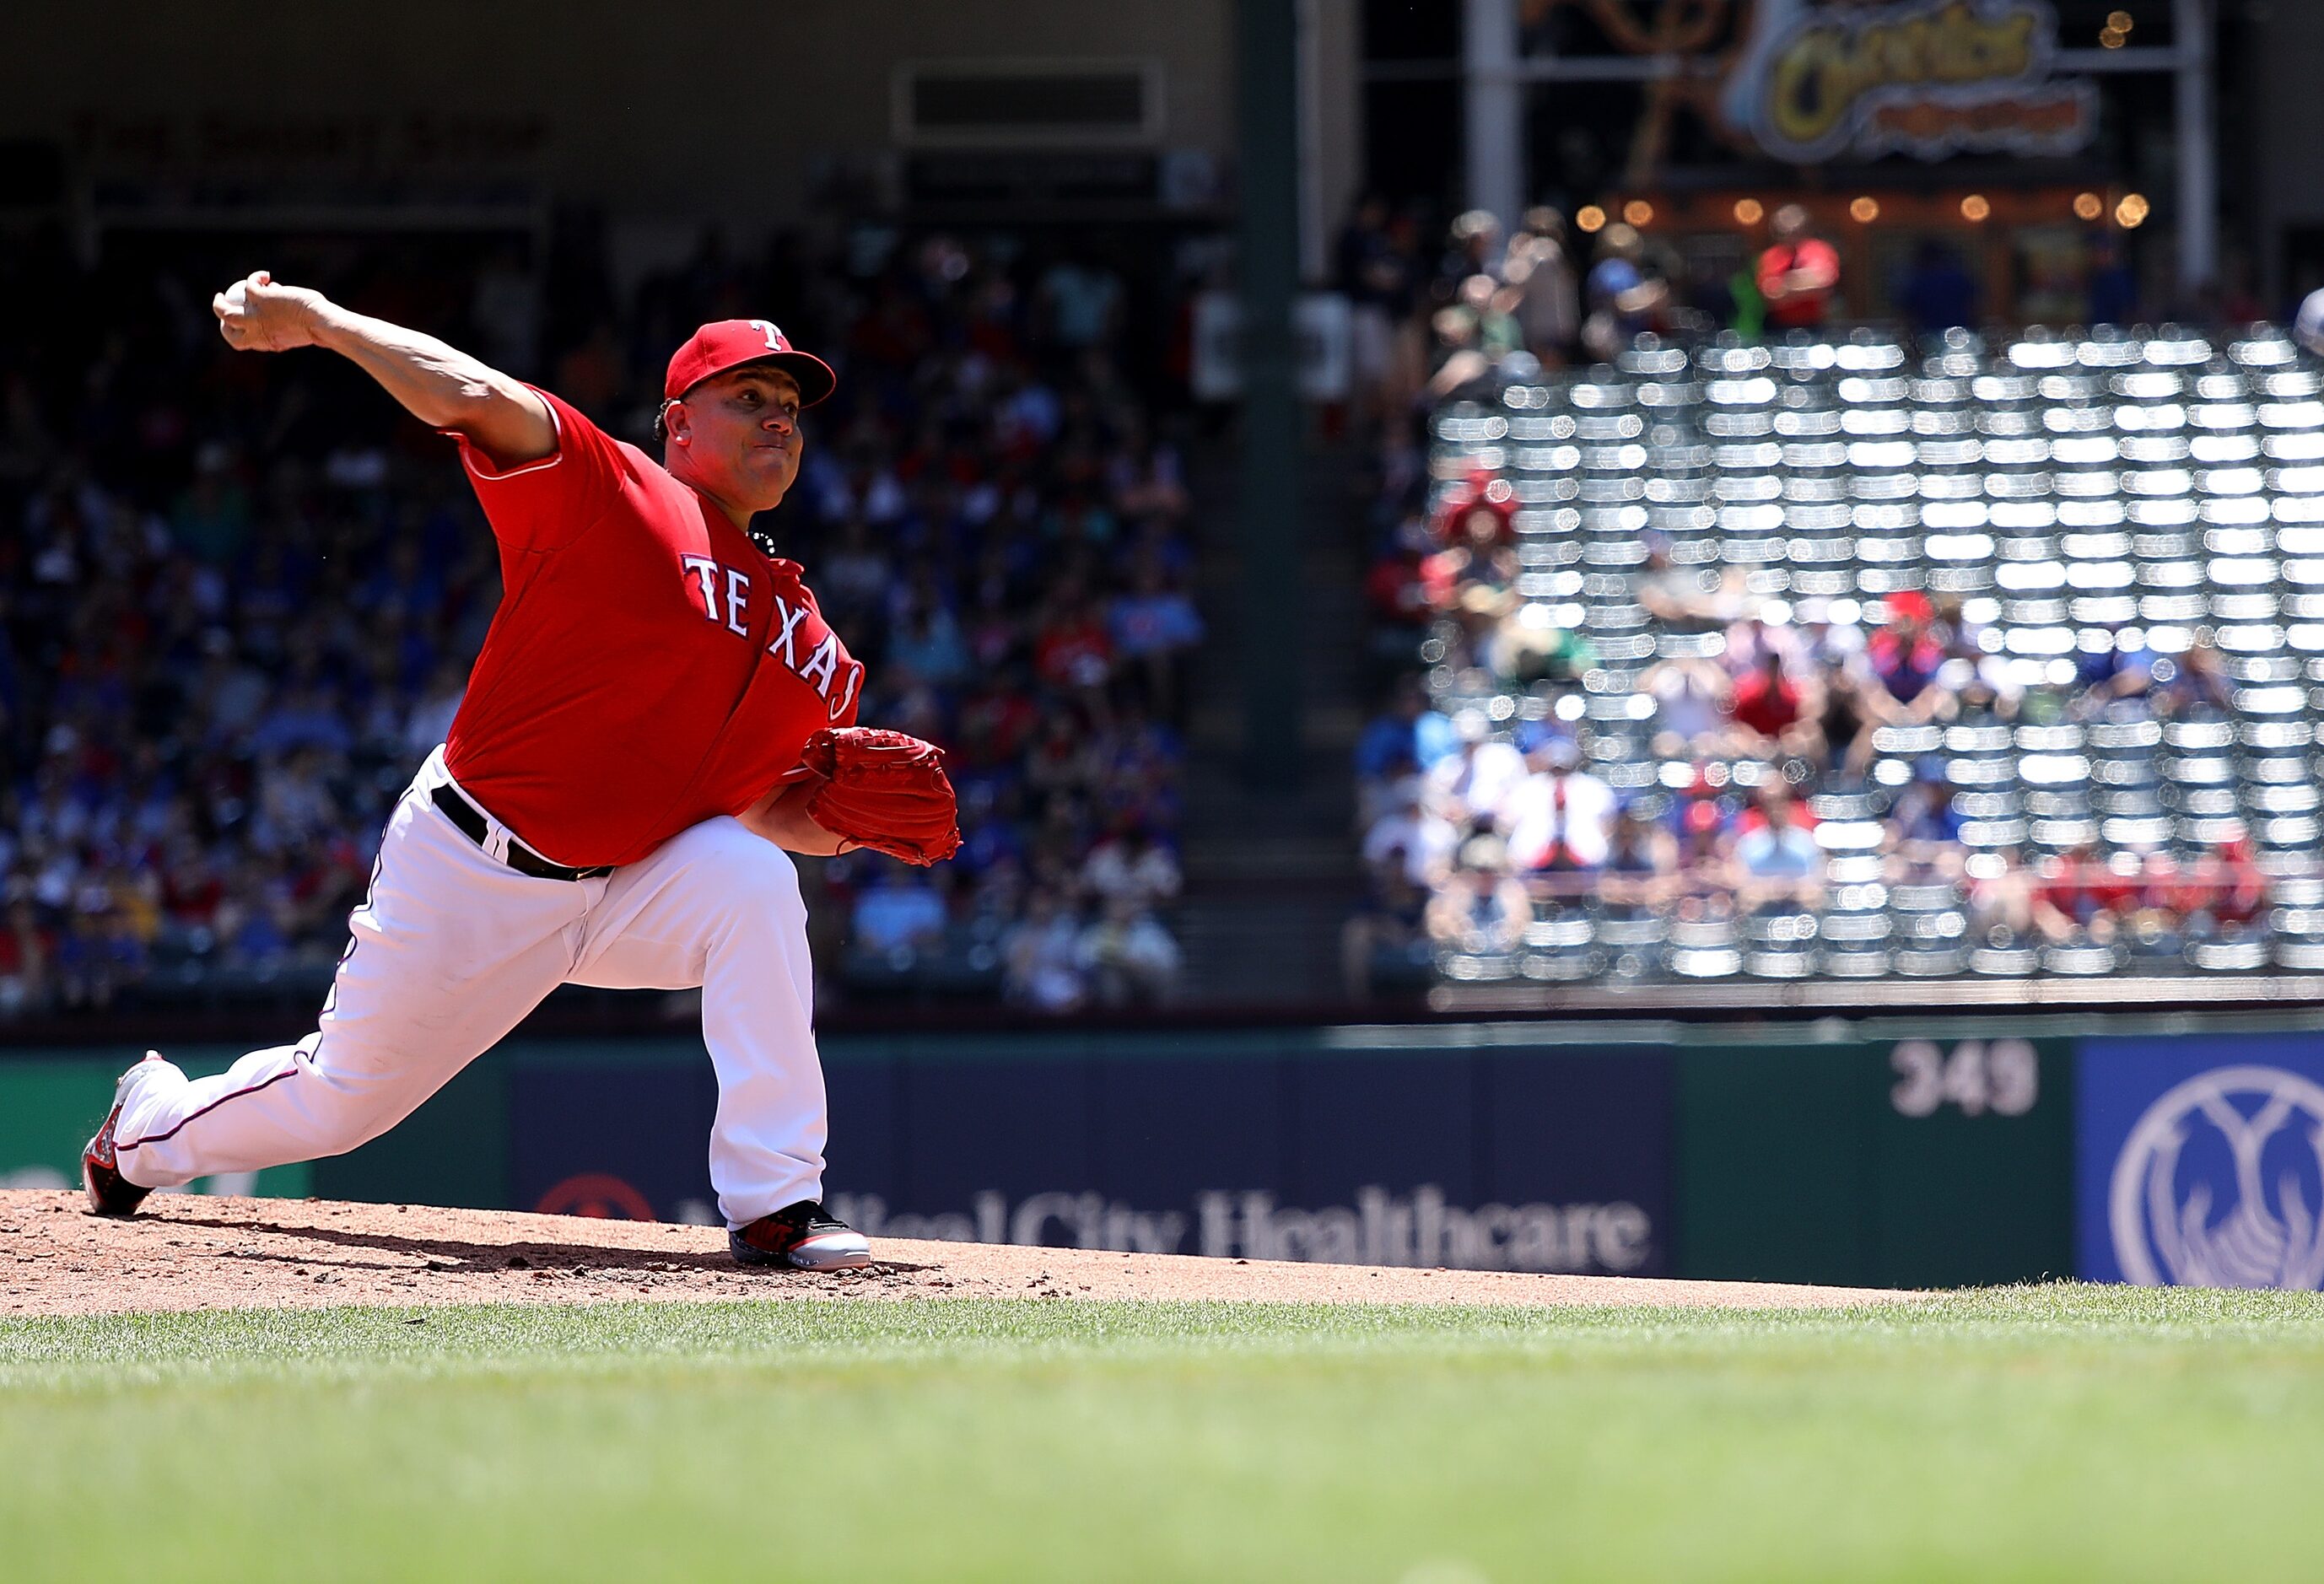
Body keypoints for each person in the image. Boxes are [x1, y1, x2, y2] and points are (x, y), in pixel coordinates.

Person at [80, 272, 963, 1273]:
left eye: (791, 408)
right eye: (748, 398)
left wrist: (839, 827)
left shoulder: (814, 644)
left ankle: (777, 1205)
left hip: (625, 887)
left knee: (754, 880)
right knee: (339, 1103)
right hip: (475, 865)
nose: (777, 421)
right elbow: (466, 392)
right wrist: (325, 325)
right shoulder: (615, 488)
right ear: (678, 424)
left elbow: (764, 806)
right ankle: (144, 1127)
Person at [1755, 205, 1841, 333]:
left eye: (1795, 230)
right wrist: (1805, 281)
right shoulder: (1770, 256)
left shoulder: (1819, 250)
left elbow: (1824, 282)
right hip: (1778, 327)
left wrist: (1785, 284)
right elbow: (1770, 293)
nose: (1790, 235)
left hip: (1814, 326)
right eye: (1784, 231)